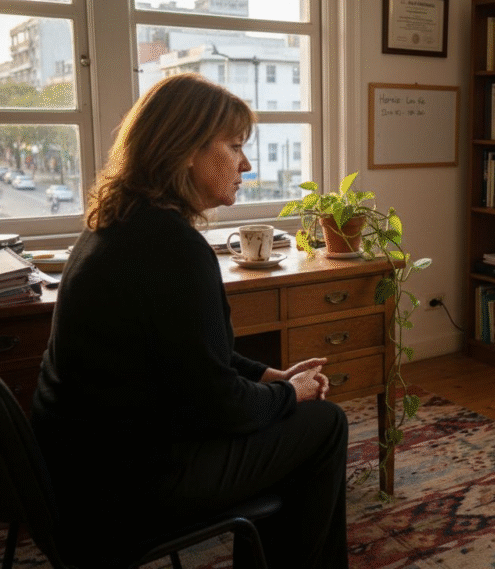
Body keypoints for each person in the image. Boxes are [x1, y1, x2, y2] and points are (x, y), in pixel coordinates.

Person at [31, 73, 349, 568]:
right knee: (324, 422)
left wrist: (266, 377)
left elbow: (187, 355)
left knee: (285, 418)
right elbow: (217, 407)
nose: (246, 163)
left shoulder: (115, 227)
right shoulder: (173, 248)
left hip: (81, 466)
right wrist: (291, 393)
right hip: (129, 486)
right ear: (185, 150)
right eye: (234, 146)